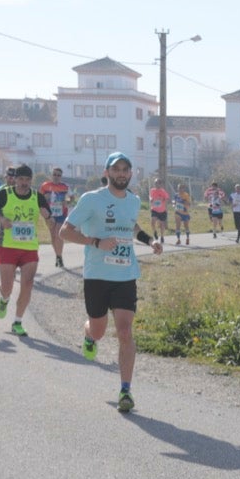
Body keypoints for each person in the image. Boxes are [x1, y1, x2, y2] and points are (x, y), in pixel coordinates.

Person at [59, 151, 163, 415]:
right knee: (98, 331)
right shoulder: (91, 199)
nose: (121, 174)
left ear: (131, 174)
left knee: (125, 332)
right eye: (116, 169)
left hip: (125, 275)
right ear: (107, 173)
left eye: (125, 170)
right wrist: (96, 242)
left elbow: (132, 226)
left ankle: (125, 390)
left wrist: (150, 240)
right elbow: (65, 231)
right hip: (96, 276)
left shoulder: (134, 200)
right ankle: (89, 335)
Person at [0, 163, 53, 338]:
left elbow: (50, 219)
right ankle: (4, 299)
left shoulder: (37, 197)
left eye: (27, 179)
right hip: (8, 246)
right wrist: (1, 220)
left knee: (27, 285)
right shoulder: (5, 194)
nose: (24, 183)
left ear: (31, 180)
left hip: (29, 247)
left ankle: (17, 322)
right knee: (7, 287)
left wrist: (48, 217)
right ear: (15, 179)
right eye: (21, 179)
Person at [39, 166, 71, 267]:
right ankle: (57, 255)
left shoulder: (65, 186)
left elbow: (72, 198)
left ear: (61, 176)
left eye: (58, 175)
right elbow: (39, 199)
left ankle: (60, 256)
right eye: (54, 174)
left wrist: (67, 201)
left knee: (58, 234)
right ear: (51, 175)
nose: (56, 177)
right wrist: (45, 198)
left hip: (61, 213)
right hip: (49, 214)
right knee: (53, 236)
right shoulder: (45, 186)